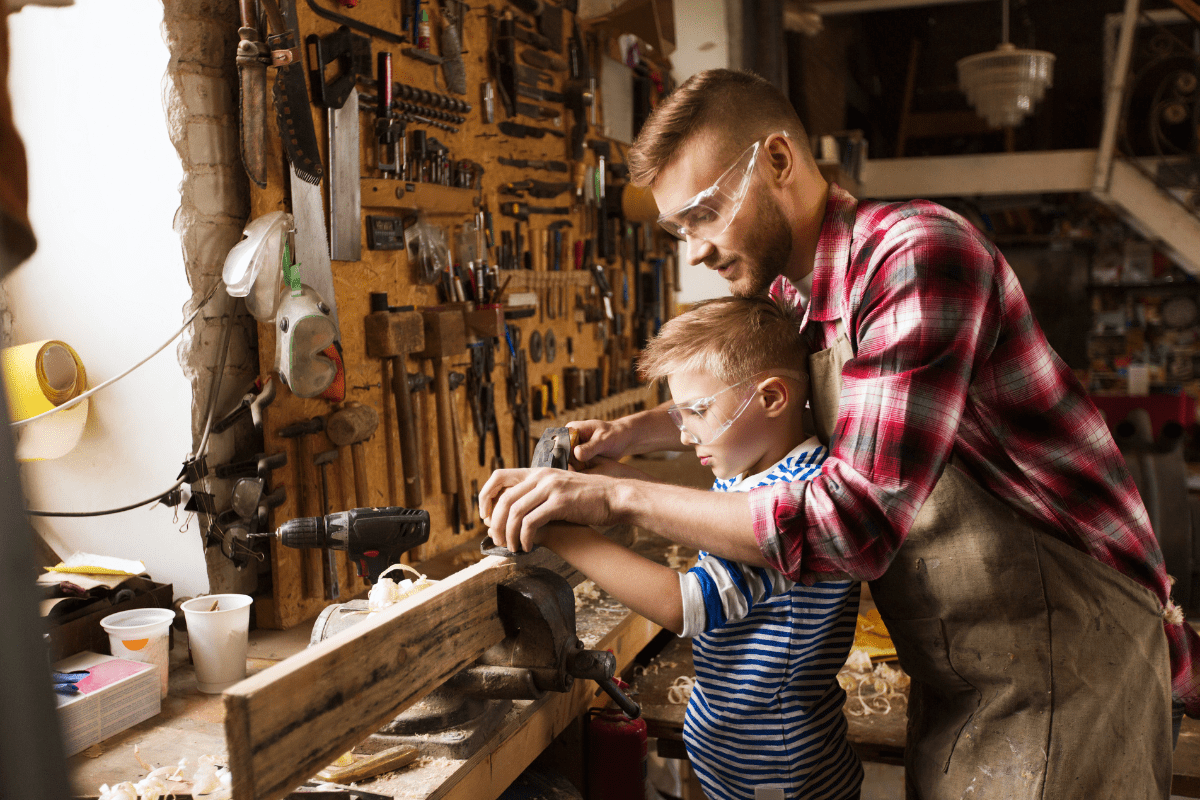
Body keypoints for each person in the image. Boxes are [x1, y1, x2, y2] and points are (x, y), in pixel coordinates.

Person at [481, 68, 1198, 798]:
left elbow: (851, 527)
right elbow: (769, 400)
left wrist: (612, 499)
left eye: (703, 214)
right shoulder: (798, 296)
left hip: (1065, 657)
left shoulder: (912, 258)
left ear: (779, 161)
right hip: (963, 667)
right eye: (678, 229)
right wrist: (632, 433)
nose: (692, 249)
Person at [533, 295, 862, 800]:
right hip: (735, 749)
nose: (685, 435)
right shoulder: (758, 466)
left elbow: (686, 605)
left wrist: (561, 533)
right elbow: (701, 524)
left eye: (699, 411)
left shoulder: (790, 496)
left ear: (773, 398)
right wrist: (614, 474)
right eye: (678, 412)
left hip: (777, 765)